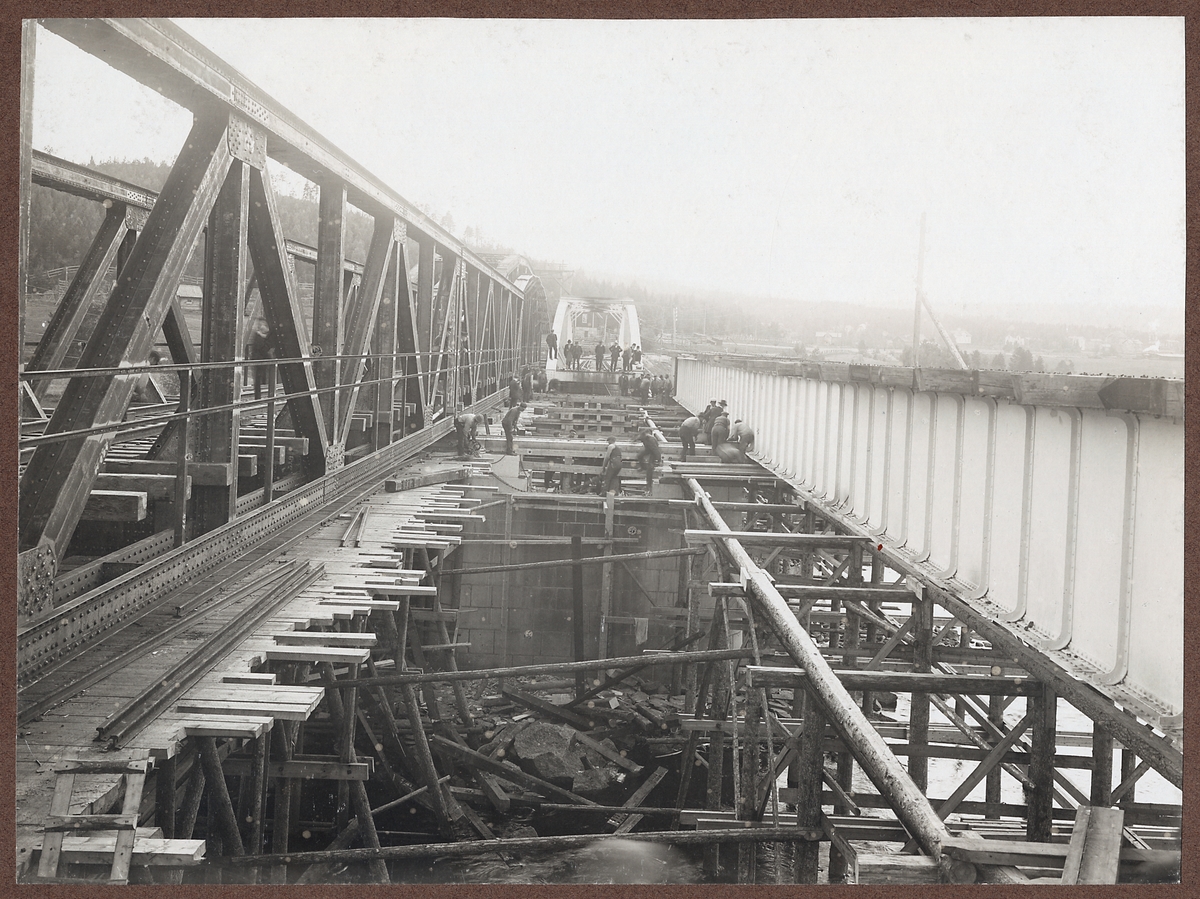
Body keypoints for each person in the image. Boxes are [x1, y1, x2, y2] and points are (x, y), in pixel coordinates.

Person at [247, 319, 273, 400]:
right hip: (259, 359)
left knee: (259, 378)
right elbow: (262, 349)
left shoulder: (261, 336)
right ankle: (259, 397)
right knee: (259, 379)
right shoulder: (259, 336)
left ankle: (260, 396)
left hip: (260, 359)